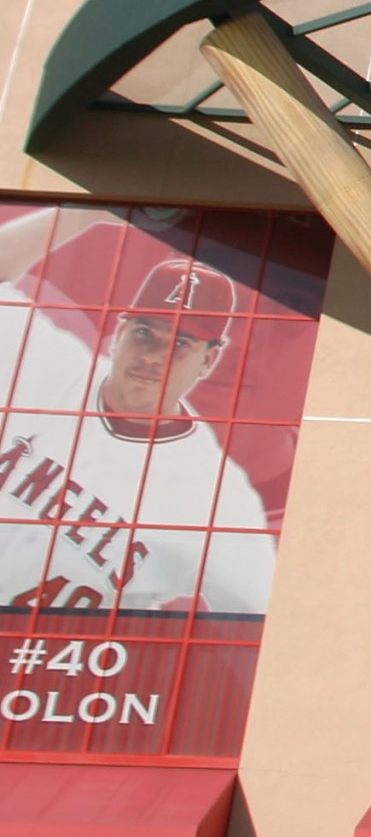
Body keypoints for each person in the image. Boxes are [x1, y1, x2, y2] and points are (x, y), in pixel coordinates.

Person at [0, 205, 276, 614]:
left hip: (45, 664)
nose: (154, 357)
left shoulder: (217, 497)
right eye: (145, 333)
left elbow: (268, 619)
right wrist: (78, 216)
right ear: (120, 332)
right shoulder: (51, 364)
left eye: (181, 344)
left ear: (208, 360)